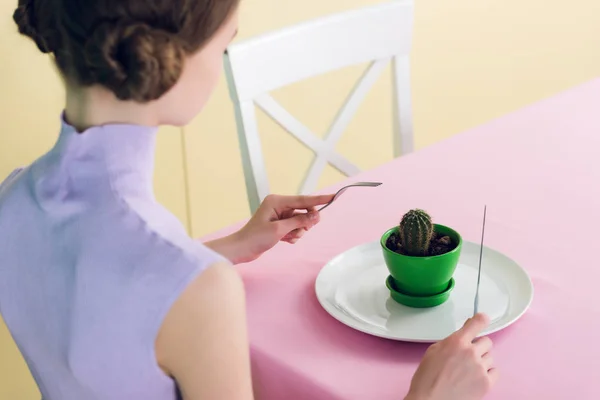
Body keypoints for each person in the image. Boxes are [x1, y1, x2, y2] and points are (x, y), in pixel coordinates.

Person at [0, 1, 498, 399]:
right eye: (223, 49)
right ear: (166, 56)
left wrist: (230, 247)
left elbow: (110, 307)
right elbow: (162, 292)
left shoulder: (11, 202)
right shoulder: (199, 289)